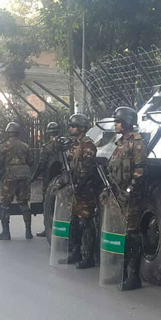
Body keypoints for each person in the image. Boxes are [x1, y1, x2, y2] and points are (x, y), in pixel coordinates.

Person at [102, 106, 148, 290]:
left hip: (130, 198)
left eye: (118, 121)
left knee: (131, 236)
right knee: (118, 233)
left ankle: (133, 276)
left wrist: (128, 191)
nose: (115, 124)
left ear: (127, 123)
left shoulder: (136, 143)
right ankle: (120, 270)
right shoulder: (120, 143)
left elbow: (140, 171)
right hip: (116, 195)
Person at [58, 114, 98, 268]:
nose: (70, 128)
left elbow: (87, 168)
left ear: (80, 128)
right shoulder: (73, 145)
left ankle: (88, 257)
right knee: (74, 221)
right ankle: (76, 252)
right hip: (74, 188)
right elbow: (68, 165)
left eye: (73, 126)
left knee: (85, 222)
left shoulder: (88, 145)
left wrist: (79, 184)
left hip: (85, 189)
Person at [0, 122, 33, 240]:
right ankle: (28, 232)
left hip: (9, 178)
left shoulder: (3, 146)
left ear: (8, 133)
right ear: (18, 133)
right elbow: (30, 162)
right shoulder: (25, 146)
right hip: (23, 178)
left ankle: (6, 232)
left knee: (5, 205)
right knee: (24, 204)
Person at [34, 122, 62, 237]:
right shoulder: (65, 144)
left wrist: (34, 177)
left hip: (49, 179)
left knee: (48, 203)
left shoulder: (47, 147)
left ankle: (48, 228)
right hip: (62, 178)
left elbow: (41, 164)